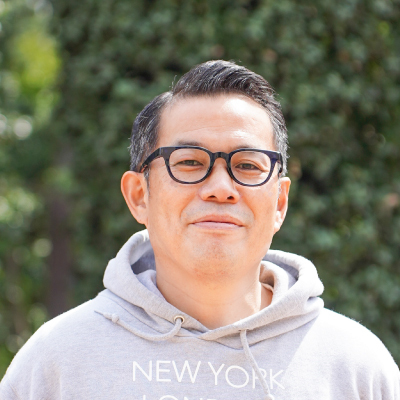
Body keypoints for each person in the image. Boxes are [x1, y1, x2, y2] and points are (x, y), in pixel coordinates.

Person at [0, 60, 399, 400]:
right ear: (139, 196)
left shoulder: (356, 368)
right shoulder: (58, 362)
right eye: (189, 162)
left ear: (279, 202)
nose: (221, 188)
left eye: (247, 165)